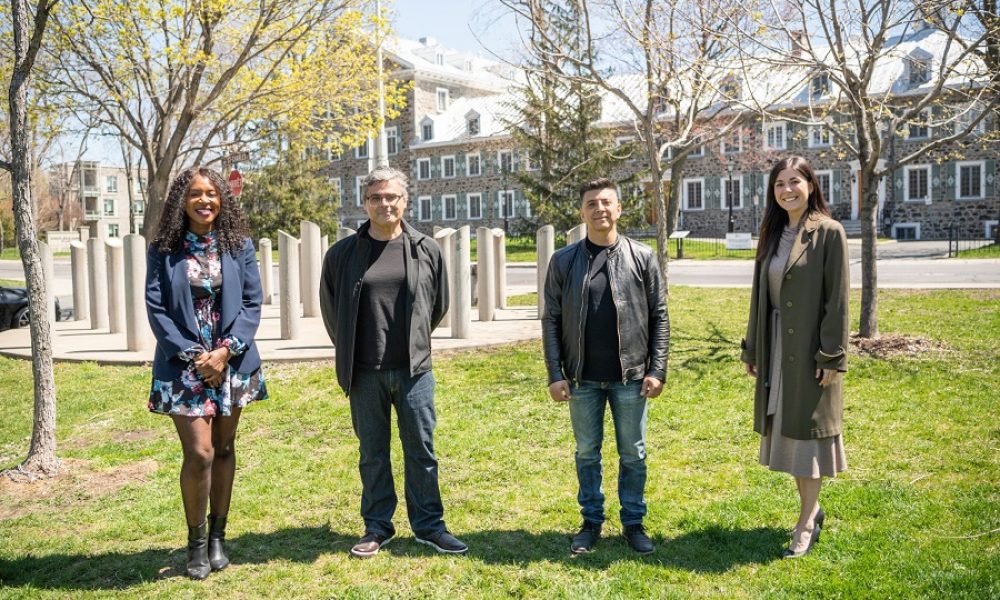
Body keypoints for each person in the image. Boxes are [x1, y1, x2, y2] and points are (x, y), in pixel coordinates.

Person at [319, 166, 467, 558]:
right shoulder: (342, 255)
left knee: (422, 448)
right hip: (364, 371)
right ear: (364, 203)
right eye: (376, 198)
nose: (384, 204)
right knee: (373, 452)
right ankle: (377, 526)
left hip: (414, 370)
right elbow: (332, 311)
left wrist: (414, 342)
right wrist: (353, 348)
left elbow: (438, 305)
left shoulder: (426, 249)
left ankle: (429, 526)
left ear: (404, 201)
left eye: (391, 197)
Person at [145, 167, 267, 579]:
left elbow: (252, 302)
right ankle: (195, 542)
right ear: (182, 200)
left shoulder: (239, 245)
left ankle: (218, 536)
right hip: (184, 366)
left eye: (211, 194)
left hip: (232, 362)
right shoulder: (164, 248)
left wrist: (225, 353)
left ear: (222, 199)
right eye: (196, 194)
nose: (204, 201)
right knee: (200, 453)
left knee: (226, 448)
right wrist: (197, 357)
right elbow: (156, 307)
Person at [542, 177, 669, 555]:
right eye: (592, 204)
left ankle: (633, 521)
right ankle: (591, 521)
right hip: (581, 379)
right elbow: (550, 318)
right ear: (582, 213)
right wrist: (555, 374)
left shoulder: (641, 257)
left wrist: (657, 369)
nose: (600, 209)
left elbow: (659, 315)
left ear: (619, 208)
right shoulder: (564, 261)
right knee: (586, 453)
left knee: (633, 453)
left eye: (606, 202)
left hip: (630, 378)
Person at [740, 155, 849, 558]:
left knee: (808, 438)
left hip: (808, 352)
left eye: (794, 182)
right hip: (774, 349)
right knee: (789, 432)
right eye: (779, 184)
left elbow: (836, 301)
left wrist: (830, 356)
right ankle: (812, 510)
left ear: (811, 185)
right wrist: (753, 347)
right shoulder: (770, 234)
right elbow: (759, 298)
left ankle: (805, 523)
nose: (787, 190)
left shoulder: (829, 233)